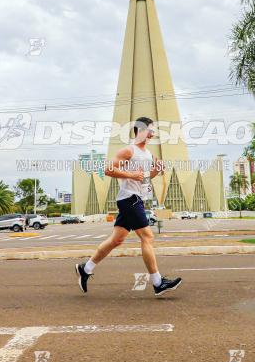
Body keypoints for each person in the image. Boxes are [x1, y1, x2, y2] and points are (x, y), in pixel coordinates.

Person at [75, 117, 182, 296]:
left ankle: (85, 269)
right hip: (129, 199)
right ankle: (157, 283)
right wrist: (132, 175)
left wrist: (158, 169)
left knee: (116, 240)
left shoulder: (148, 154)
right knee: (147, 236)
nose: (153, 134)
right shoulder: (128, 151)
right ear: (140, 130)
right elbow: (109, 170)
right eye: (150, 131)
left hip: (136, 198)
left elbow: (145, 179)